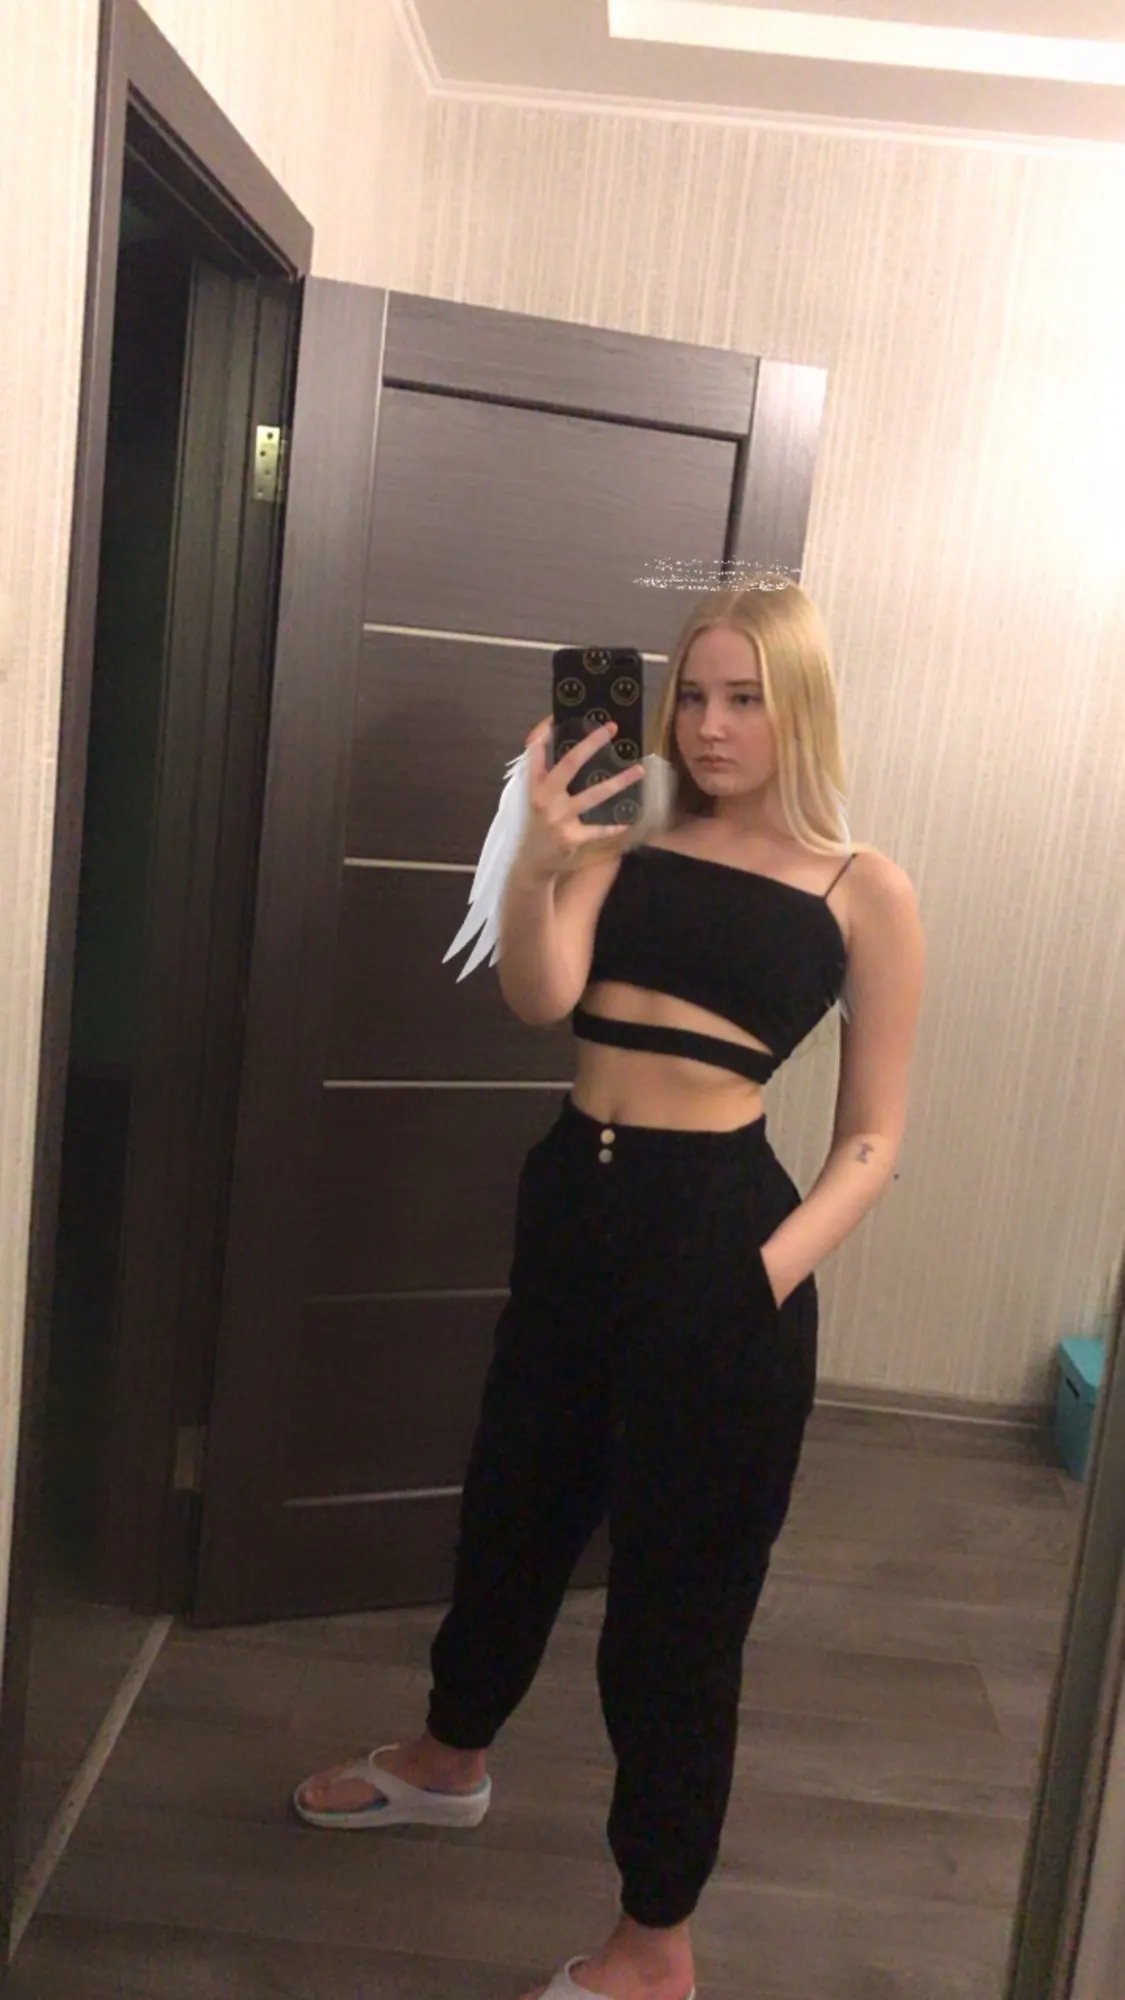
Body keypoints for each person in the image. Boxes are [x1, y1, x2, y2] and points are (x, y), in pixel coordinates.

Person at [294, 583, 926, 2000]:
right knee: (511, 1512)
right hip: (574, 1208)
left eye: (745, 697)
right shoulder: (621, 839)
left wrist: (757, 1279)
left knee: (678, 1609)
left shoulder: (860, 887)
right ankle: (448, 1758)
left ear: (800, 707)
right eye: (691, 694)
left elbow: (873, 1140)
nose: (709, 725)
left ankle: (655, 1943)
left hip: (723, 1240)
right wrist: (540, 858)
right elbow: (539, 995)